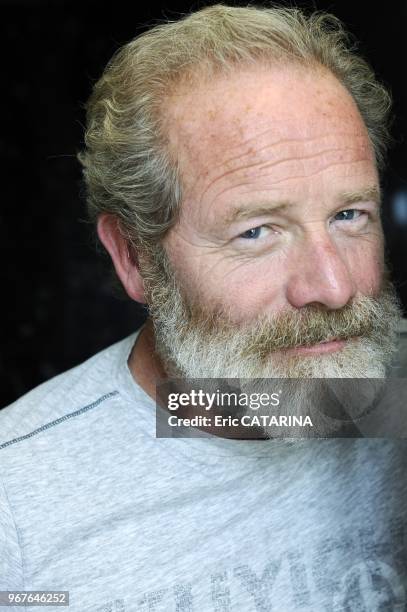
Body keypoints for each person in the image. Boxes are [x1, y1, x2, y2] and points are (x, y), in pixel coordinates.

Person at [1, 5, 406, 610]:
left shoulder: (387, 406)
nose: (334, 286)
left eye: (349, 215)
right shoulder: (18, 504)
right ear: (135, 256)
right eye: (257, 232)